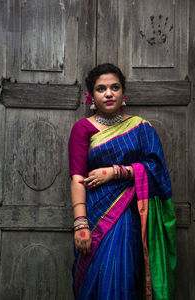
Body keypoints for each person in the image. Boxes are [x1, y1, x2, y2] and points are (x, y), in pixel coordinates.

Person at [68, 63, 176, 300]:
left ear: (123, 93)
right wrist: (81, 224)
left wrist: (116, 172)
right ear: (91, 96)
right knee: (91, 281)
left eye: (114, 87)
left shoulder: (140, 127)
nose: (108, 93)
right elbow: (77, 178)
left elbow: (157, 170)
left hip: (126, 216)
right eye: (101, 89)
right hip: (94, 214)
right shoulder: (82, 129)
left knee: (121, 276)